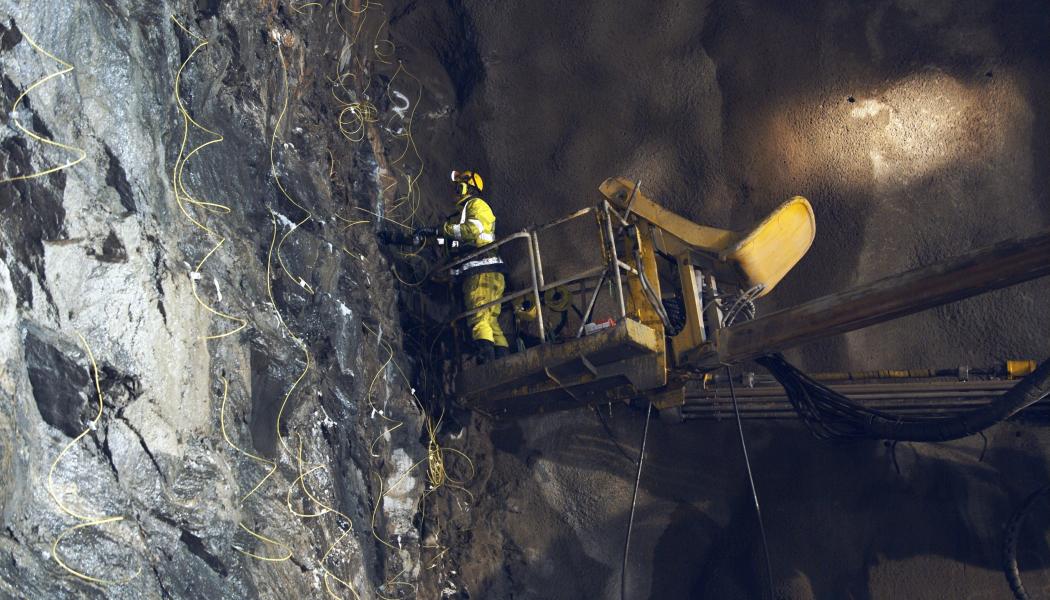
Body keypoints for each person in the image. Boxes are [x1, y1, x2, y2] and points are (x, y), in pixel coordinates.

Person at [416, 170, 509, 363]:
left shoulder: (476, 205)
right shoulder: (459, 216)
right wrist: (422, 237)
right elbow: (448, 239)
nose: (455, 190)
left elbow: (471, 230)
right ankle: (505, 363)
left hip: (480, 271)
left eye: (458, 186)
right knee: (491, 322)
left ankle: (490, 367)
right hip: (487, 272)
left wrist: (440, 230)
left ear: (466, 188)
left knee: (478, 319)